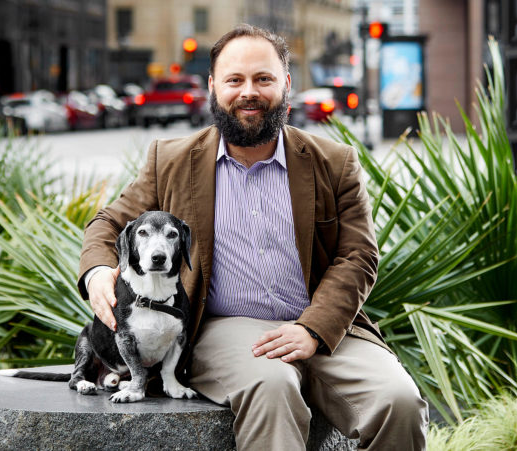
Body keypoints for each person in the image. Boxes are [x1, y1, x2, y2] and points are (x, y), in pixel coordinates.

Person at [78, 24, 428, 451]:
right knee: (272, 385)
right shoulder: (168, 160)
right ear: (213, 86)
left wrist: (314, 329)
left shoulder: (334, 163)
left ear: (286, 84)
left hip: (325, 325)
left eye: (263, 78)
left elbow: (358, 255)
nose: (249, 92)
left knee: (400, 401)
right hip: (228, 328)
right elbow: (108, 223)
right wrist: (98, 272)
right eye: (235, 80)